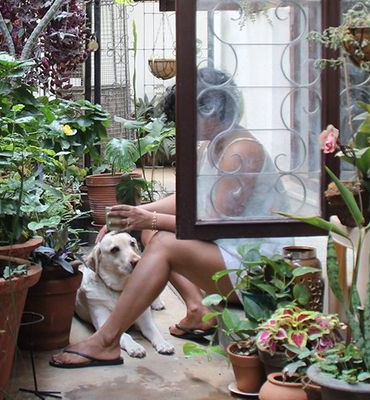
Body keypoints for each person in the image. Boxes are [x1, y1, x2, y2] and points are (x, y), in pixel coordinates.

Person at [50, 67, 291, 368]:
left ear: (210, 108)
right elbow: (190, 201)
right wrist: (132, 216)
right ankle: (196, 309)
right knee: (154, 235)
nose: (181, 124)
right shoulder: (217, 145)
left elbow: (208, 224)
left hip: (259, 271)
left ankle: (107, 341)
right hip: (234, 256)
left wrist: (147, 220)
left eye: (185, 114)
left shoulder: (240, 152)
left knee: (162, 241)